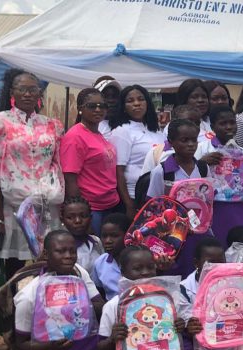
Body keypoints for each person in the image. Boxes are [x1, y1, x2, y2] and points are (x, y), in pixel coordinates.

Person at [0, 69, 64, 277]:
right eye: (22, 89)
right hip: (15, 203)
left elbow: (57, 163)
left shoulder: (53, 125)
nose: (28, 94)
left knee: (48, 255)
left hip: (48, 201)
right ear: (12, 92)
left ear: (39, 93)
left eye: (33, 89)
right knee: (17, 261)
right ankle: (14, 304)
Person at [13, 230, 103, 350]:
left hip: (79, 344)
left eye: (72, 251)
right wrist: (51, 346)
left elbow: (99, 303)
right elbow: (21, 345)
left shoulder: (79, 273)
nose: (68, 256)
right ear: (46, 254)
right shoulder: (30, 294)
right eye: (60, 251)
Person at [146, 119, 212, 278]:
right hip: (172, 236)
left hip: (198, 231)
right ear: (171, 143)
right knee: (176, 271)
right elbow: (153, 206)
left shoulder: (203, 168)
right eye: (184, 140)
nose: (191, 144)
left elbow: (208, 200)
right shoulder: (161, 172)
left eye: (194, 140)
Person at [62, 88, 122, 235]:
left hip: (110, 204)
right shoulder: (75, 137)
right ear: (80, 109)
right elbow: (70, 179)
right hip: (91, 208)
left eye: (102, 106)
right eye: (92, 106)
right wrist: (80, 213)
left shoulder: (97, 133)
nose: (98, 109)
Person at [197, 105, 243, 244]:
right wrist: (202, 163)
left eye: (232, 123)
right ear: (213, 126)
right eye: (223, 123)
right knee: (214, 243)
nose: (228, 127)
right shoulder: (202, 148)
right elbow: (192, 177)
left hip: (237, 207)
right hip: (211, 207)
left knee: (236, 244)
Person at [108, 85, 164, 218]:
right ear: (123, 106)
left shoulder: (156, 130)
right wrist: (128, 204)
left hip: (156, 195)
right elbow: (118, 171)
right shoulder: (122, 130)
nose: (136, 104)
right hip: (134, 196)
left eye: (140, 99)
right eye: (130, 101)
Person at [91, 213, 131, 303]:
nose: (108, 241)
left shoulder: (138, 259)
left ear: (127, 235)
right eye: (104, 236)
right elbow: (99, 292)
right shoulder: (100, 263)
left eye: (114, 236)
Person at [59, 195, 103, 273]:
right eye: (70, 217)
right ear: (62, 220)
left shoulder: (96, 241)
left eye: (83, 216)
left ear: (91, 218)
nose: (78, 221)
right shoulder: (60, 248)